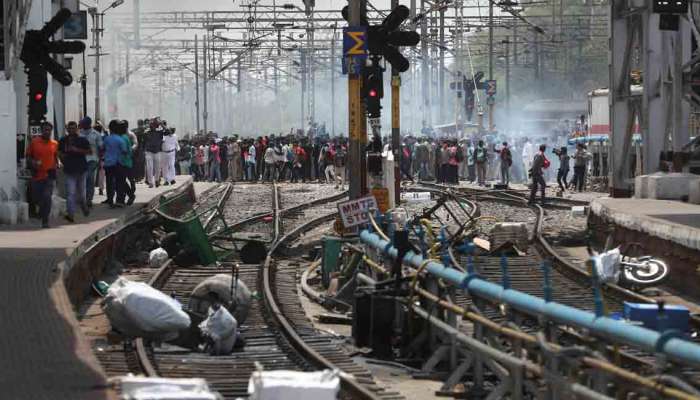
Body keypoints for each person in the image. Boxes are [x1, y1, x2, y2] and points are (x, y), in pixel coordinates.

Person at [26, 122, 58, 228]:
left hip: (49, 175)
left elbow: (56, 157)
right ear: (41, 130)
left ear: (51, 131)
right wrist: (33, 163)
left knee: (47, 196)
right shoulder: (34, 143)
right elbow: (28, 156)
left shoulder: (54, 144)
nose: (47, 132)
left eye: (49, 130)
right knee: (37, 198)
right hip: (37, 174)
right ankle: (40, 211)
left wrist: (58, 165)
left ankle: (45, 220)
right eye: (45, 130)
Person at [58, 121, 91, 222]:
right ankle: (71, 214)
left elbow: (89, 151)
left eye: (73, 128)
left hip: (81, 169)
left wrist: (76, 150)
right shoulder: (63, 140)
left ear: (77, 129)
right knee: (70, 193)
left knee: (81, 193)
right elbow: (59, 152)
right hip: (69, 170)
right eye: (69, 128)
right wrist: (62, 157)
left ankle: (83, 205)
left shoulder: (82, 140)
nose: (71, 130)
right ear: (67, 129)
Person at [103, 120, 128, 208]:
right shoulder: (121, 140)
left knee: (109, 183)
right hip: (118, 163)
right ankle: (119, 201)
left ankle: (110, 200)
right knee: (119, 182)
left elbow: (103, 148)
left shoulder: (107, 139)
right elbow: (125, 151)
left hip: (108, 164)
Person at [80, 117, 103, 208]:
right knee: (82, 179)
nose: (82, 125)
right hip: (81, 160)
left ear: (88, 124)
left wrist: (100, 160)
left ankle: (88, 199)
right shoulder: (79, 133)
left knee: (89, 178)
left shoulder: (96, 134)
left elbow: (101, 148)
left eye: (83, 123)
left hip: (93, 159)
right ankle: (83, 198)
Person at [117, 121, 136, 205]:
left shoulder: (128, 136)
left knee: (124, 180)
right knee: (121, 181)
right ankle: (123, 197)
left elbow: (134, 144)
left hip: (126, 162)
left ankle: (129, 195)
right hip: (124, 161)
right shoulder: (122, 136)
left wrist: (130, 151)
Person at [144, 120, 163, 188]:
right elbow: (143, 142)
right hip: (149, 152)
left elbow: (168, 132)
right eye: (151, 125)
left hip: (157, 151)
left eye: (153, 125)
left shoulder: (159, 132)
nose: (152, 126)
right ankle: (150, 182)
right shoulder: (146, 132)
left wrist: (162, 124)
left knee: (158, 167)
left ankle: (157, 180)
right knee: (149, 167)